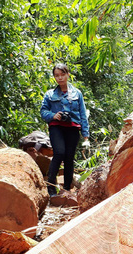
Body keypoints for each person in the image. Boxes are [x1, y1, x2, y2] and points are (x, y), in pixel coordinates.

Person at [40, 63, 89, 196]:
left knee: (69, 157)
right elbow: (43, 111)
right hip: (56, 127)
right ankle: (50, 187)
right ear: (54, 77)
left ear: (67, 75)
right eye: (57, 75)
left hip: (73, 128)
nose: (60, 78)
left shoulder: (77, 93)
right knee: (59, 153)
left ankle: (66, 189)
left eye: (62, 74)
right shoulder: (49, 94)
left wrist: (86, 135)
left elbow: (83, 114)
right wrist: (53, 115)